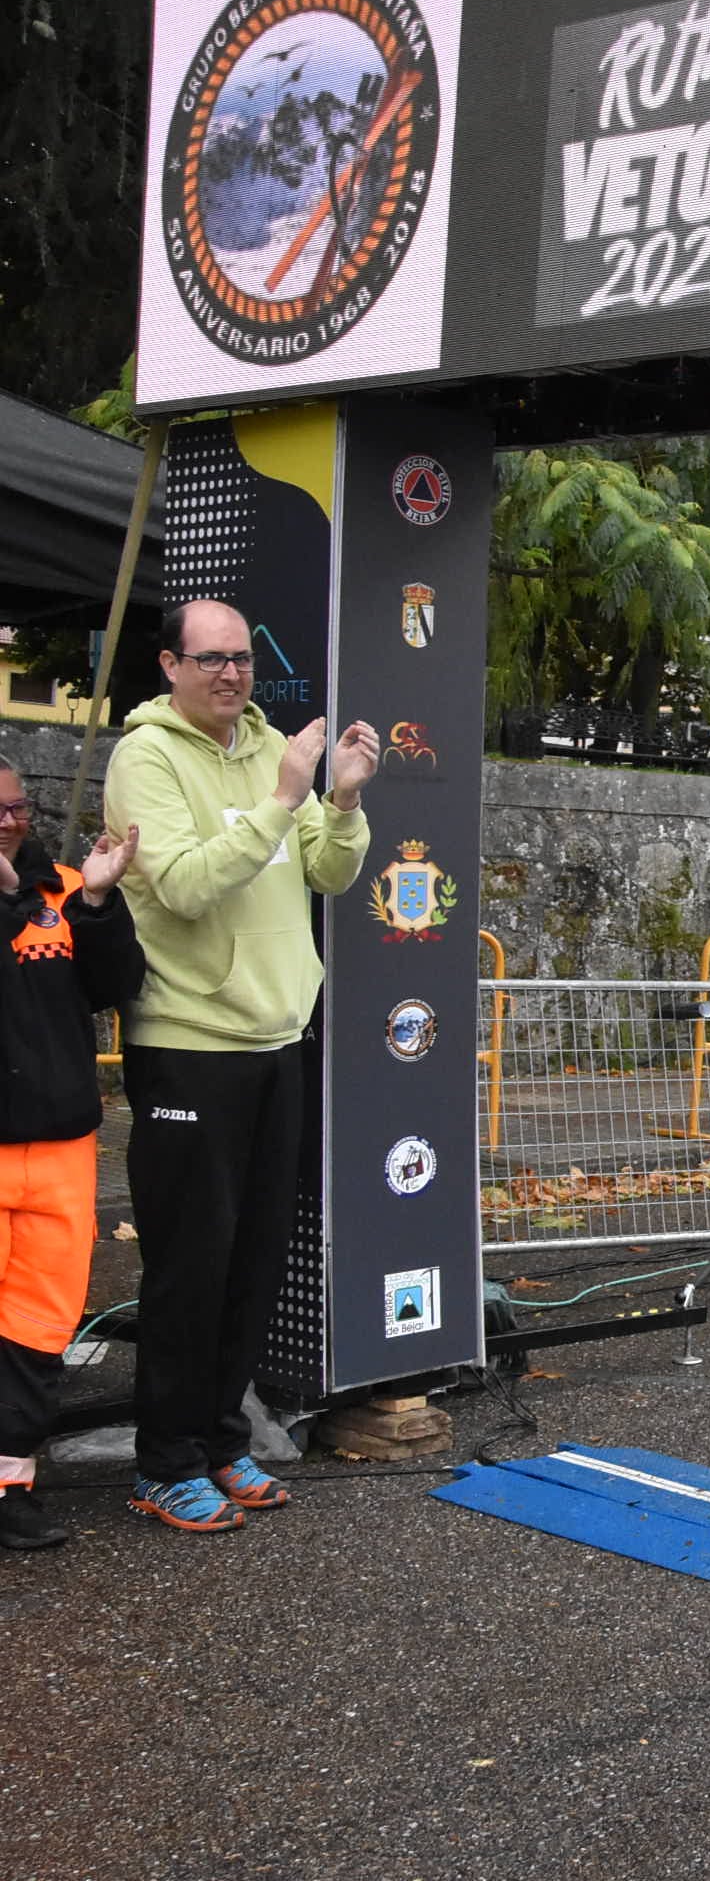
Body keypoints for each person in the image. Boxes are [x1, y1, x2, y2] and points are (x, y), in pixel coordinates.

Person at [102, 600, 379, 1533]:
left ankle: (222, 1441)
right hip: (189, 1046)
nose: (231, 674)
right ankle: (164, 1463)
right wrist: (282, 799)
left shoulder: (269, 747)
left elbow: (329, 873)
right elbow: (182, 886)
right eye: (211, 659)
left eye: (242, 659)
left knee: (252, 1264)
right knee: (190, 1267)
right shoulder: (145, 758)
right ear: (169, 665)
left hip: (277, 1041)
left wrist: (342, 802)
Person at [0, 760, 144, 1550]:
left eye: (17, 806)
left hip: (61, 1146)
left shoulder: (61, 888)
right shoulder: (22, 901)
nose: (8, 821)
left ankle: (11, 1486)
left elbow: (117, 984)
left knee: (39, 1324)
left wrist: (95, 902)